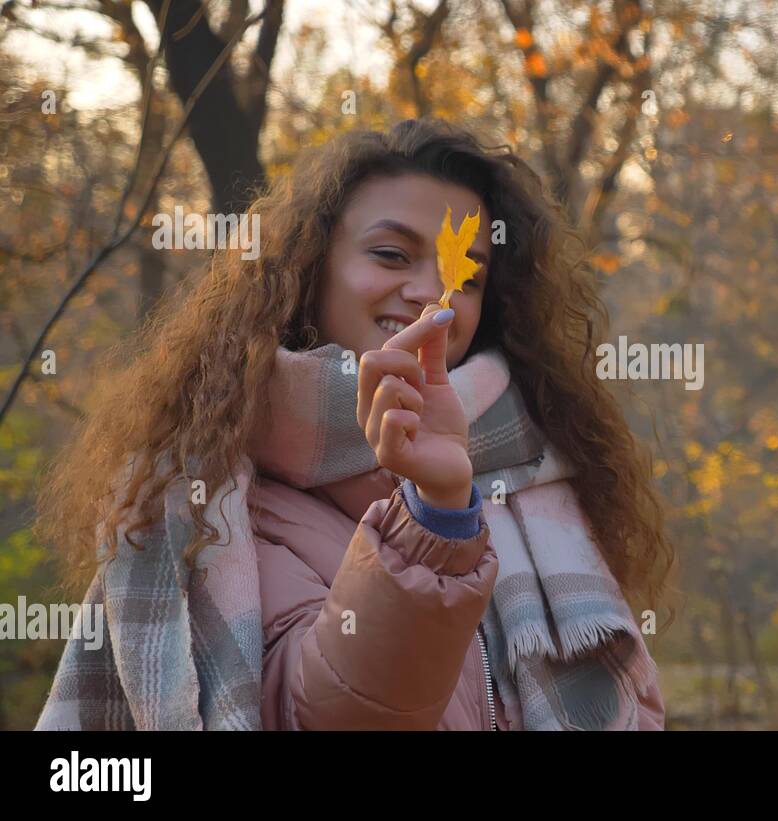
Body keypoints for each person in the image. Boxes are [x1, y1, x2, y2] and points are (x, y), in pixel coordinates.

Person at [34, 119, 673, 730]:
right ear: (311, 269)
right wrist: (437, 520)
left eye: (467, 275)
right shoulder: (214, 507)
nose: (433, 292)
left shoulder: (536, 479)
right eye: (393, 254)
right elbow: (337, 714)